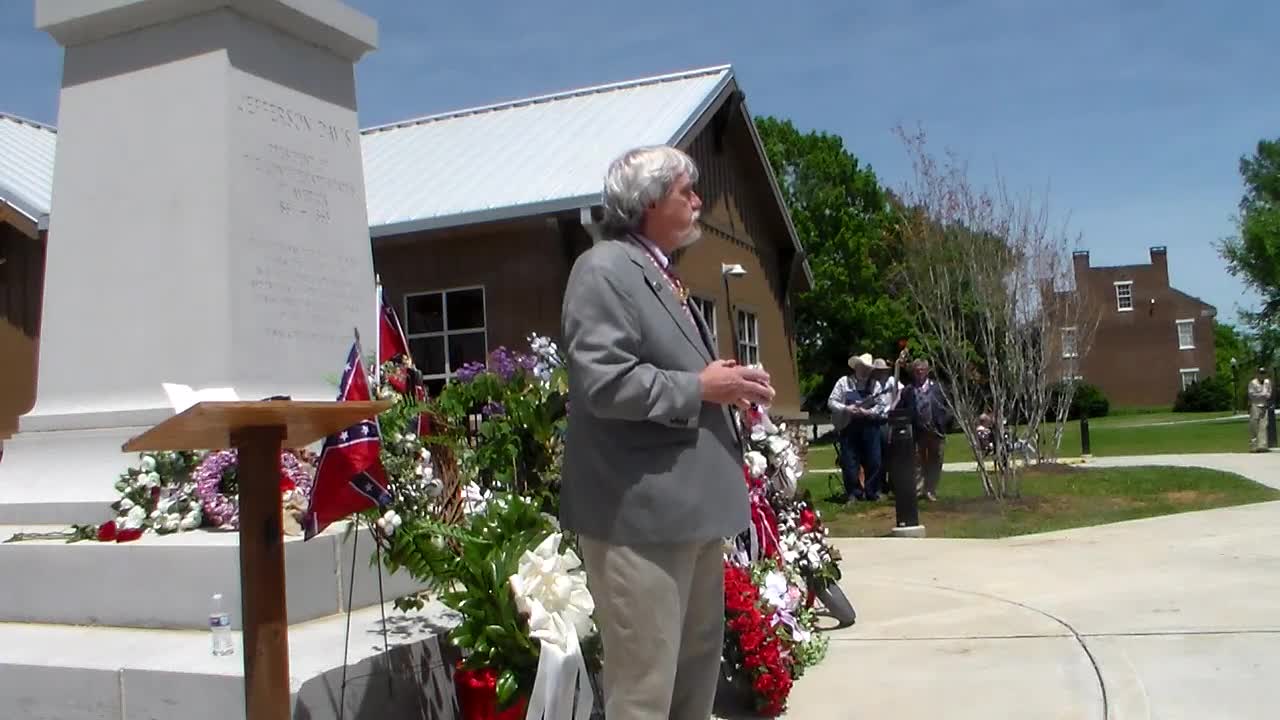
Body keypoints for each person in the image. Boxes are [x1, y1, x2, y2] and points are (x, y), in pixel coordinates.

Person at [559, 145, 775, 720]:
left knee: (692, 683)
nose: (699, 200)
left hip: (689, 517)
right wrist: (700, 388)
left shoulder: (659, 273)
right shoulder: (604, 269)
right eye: (687, 189)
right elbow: (602, 382)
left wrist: (727, 382)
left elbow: (677, 374)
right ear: (651, 200)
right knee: (646, 690)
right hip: (640, 522)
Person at [828, 353, 893, 501]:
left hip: (870, 426)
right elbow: (831, 402)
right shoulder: (844, 382)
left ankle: (872, 492)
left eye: (868, 368)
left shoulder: (875, 385)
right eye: (862, 367)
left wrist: (867, 412)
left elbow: (881, 405)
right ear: (856, 367)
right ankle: (854, 493)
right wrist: (846, 408)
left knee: (874, 460)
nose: (865, 371)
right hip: (849, 426)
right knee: (850, 462)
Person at [899, 358, 952, 501]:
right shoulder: (908, 390)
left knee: (935, 460)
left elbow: (949, 407)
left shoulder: (939, 388)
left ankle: (931, 490)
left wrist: (944, 420)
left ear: (928, 371)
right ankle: (918, 489)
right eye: (917, 371)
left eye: (922, 370)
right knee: (917, 461)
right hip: (917, 431)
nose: (919, 373)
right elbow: (901, 409)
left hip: (936, 429)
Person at [1247, 368, 1273, 452]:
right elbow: (1251, 394)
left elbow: (1269, 393)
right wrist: (1262, 394)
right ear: (1257, 374)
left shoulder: (1267, 382)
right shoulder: (1253, 382)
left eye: (1264, 373)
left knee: (1263, 425)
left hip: (1264, 405)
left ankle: (1262, 446)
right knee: (1254, 425)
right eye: (1260, 373)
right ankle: (1253, 446)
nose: (1262, 375)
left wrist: (1264, 395)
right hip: (1255, 405)